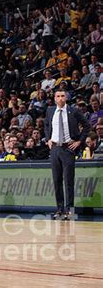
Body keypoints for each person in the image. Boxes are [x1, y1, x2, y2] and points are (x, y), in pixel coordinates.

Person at [44, 88, 90, 219]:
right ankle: (59, 210)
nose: (60, 98)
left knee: (68, 180)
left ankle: (70, 210)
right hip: (55, 149)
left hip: (68, 148)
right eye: (58, 96)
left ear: (66, 97)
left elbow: (87, 125)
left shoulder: (73, 111)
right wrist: (48, 139)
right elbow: (46, 125)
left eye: (63, 96)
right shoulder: (50, 110)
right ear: (54, 98)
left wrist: (79, 141)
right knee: (56, 180)